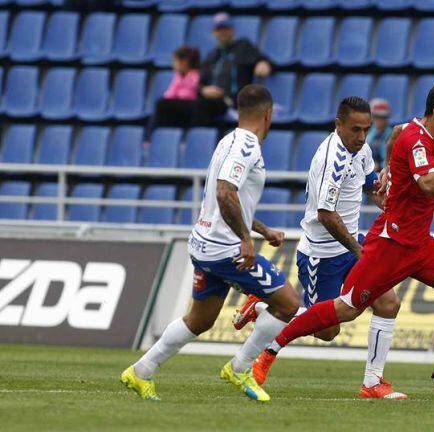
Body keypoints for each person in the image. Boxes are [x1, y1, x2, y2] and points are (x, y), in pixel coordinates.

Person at [251, 81, 434, 398]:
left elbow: (395, 132)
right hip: (391, 243)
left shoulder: (424, 132)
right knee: (345, 311)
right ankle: (270, 351)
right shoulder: (419, 140)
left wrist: (388, 173)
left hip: (419, 243)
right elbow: (429, 185)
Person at [121, 85, 300, 402]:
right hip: (225, 249)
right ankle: (240, 367)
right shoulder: (246, 147)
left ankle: (141, 371)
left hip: (204, 243)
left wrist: (260, 229)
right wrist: (247, 239)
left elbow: (229, 200)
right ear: (267, 115)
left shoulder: (228, 141)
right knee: (287, 303)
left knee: (199, 320)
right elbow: (224, 192)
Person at [234, 97, 406, 399]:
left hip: (354, 243)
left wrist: (383, 198)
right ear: (338, 125)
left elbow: (366, 183)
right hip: (322, 254)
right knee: (326, 331)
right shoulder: (331, 160)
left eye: (366, 129)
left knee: (388, 303)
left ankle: (373, 382)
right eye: (355, 129)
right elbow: (326, 215)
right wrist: (359, 251)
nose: (362, 137)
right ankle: (261, 305)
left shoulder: (361, 148)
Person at [194, 12, 273, 126]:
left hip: (232, 101)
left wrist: (263, 63)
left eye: (226, 28)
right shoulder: (212, 55)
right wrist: (204, 90)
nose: (223, 32)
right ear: (214, 33)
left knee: (200, 106)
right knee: (166, 106)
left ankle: (202, 140)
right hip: (212, 100)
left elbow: (264, 59)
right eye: (219, 29)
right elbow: (200, 82)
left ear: (232, 29)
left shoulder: (243, 46)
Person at [146, 46, 201, 139]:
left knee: (161, 104)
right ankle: (155, 138)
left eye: (175, 61)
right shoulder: (178, 76)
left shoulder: (195, 76)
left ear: (184, 62)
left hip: (189, 106)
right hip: (177, 105)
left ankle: (149, 138)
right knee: (160, 109)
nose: (173, 64)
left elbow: (189, 95)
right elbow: (170, 93)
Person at [365, 98, 392, 169]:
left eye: (383, 117)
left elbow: (389, 161)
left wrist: (379, 166)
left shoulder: (391, 135)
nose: (380, 121)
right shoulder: (370, 133)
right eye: (377, 117)